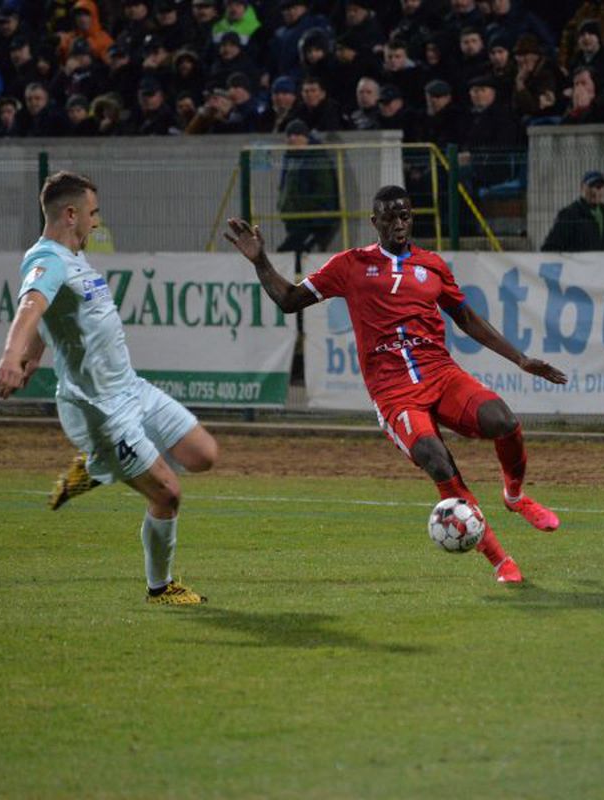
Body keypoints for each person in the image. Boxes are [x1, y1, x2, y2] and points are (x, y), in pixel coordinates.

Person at [225, 186, 566, 584]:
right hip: (393, 393)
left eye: (405, 215)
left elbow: (468, 319)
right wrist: (260, 260)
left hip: (440, 374)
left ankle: (514, 497)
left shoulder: (432, 265)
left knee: (503, 420)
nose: (399, 223)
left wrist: (521, 359)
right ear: (375, 222)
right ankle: (500, 561)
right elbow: (288, 299)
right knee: (438, 461)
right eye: (390, 216)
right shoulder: (350, 265)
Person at [0, 171, 218, 605]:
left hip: (131, 389)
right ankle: (160, 587)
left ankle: (98, 466)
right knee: (168, 493)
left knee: (204, 455)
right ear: (71, 214)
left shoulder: (74, 257)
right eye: (93, 214)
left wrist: (36, 353)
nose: (97, 223)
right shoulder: (48, 259)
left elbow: (54, 312)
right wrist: (9, 355)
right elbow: (31, 305)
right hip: (99, 408)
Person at [277, 119, 339, 253]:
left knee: (290, 253)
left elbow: (324, 192)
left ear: (305, 137)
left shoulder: (317, 158)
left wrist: (300, 205)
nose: (292, 139)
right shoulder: (290, 158)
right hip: (296, 220)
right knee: (292, 255)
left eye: (297, 135)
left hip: (313, 221)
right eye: (289, 135)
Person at [541, 171, 604, 252]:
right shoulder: (569, 214)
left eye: (599, 187)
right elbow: (550, 247)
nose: (595, 191)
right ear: (582, 188)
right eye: (591, 186)